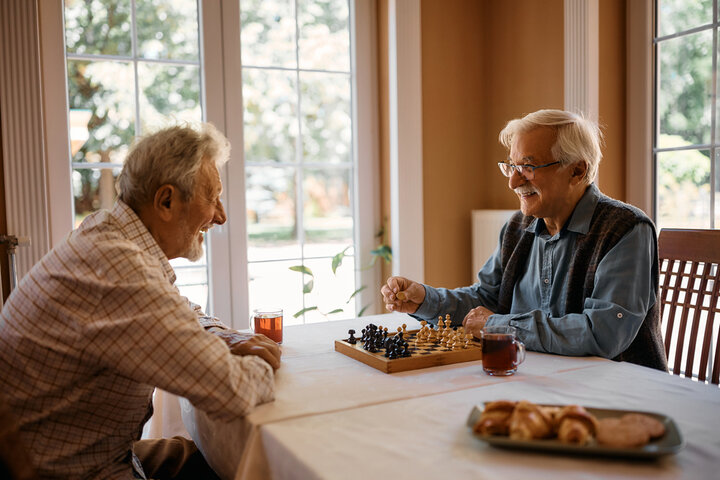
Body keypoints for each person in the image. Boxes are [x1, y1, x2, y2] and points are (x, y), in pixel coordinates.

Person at [0, 123, 282, 479]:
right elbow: (233, 389)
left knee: (224, 458)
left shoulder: (106, 233)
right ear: (166, 201)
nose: (220, 216)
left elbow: (174, 307)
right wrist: (268, 366)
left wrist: (220, 335)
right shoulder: (118, 269)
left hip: (95, 452)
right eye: (212, 198)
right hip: (76, 470)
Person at [381, 109, 668, 371]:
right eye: (511, 167)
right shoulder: (518, 227)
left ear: (577, 171)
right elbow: (485, 299)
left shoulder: (626, 229)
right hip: (534, 380)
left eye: (528, 167)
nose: (513, 182)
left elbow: (601, 334)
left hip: (615, 396)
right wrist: (423, 300)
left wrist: (498, 325)